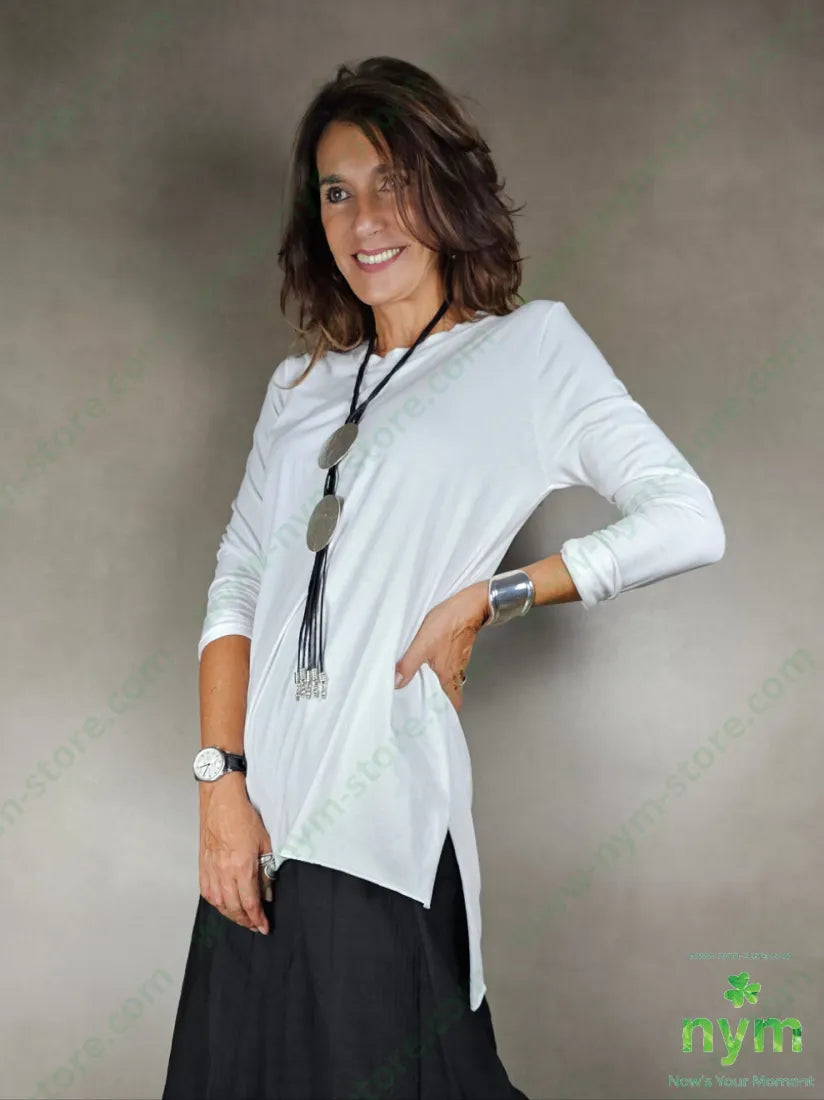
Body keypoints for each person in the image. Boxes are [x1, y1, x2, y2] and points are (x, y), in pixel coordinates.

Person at [161, 56, 725, 1100]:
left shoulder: (528, 352)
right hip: (252, 833)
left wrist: (491, 597)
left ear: (444, 189)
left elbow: (687, 518)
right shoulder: (298, 388)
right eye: (337, 192)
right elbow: (236, 585)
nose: (364, 219)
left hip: (377, 828)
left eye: (392, 183)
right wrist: (219, 787)